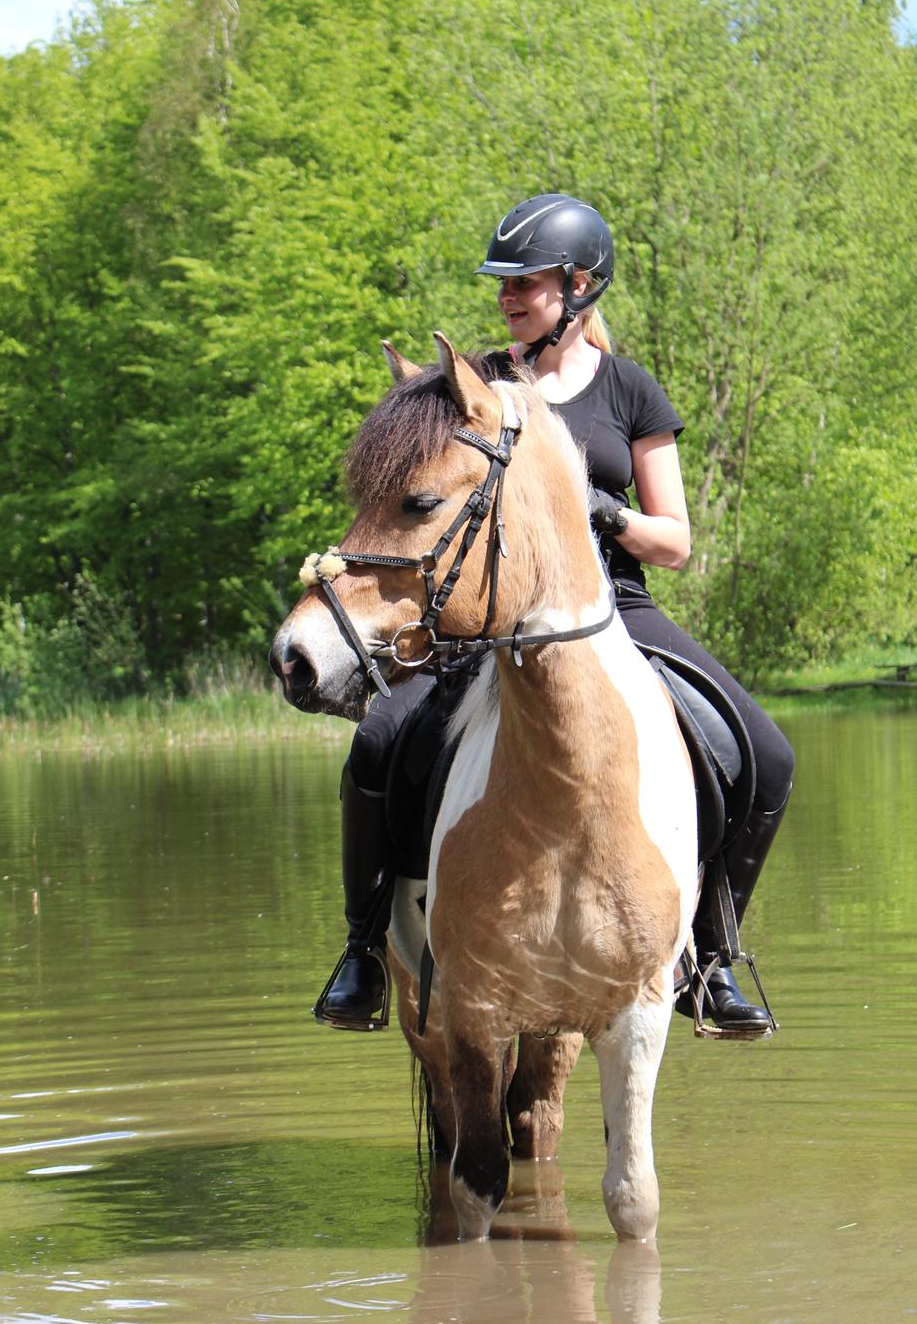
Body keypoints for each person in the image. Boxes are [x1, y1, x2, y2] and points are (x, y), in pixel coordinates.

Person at [313, 193, 794, 1035]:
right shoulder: (476, 388)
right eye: (502, 283)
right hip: (487, 616)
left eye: (525, 282)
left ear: (579, 287)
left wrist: (597, 511)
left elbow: (674, 540)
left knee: (767, 753)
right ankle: (361, 951)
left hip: (614, 607)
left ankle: (711, 960)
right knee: (379, 739)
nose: (507, 296)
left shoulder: (630, 390)